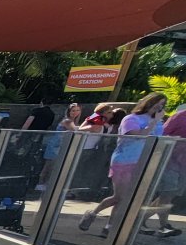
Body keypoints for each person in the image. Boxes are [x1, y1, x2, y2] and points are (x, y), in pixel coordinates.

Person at [79, 92, 168, 236]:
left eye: (162, 105)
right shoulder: (131, 118)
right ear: (149, 103)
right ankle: (93, 213)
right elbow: (137, 135)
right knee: (120, 196)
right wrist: (153, 122)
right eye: (157, 104)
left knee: (125, 198)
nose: (159, 107)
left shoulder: (159, 122)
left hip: (144, 162)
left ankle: (109, 227)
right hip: (125, 161)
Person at [145, 106, 186, 236]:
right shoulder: (179, 116)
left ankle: (138, 220)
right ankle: (164, 226)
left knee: (168, 195)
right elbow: (162, 135)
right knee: (167, 194)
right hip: (170, 161)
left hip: (183, 165)